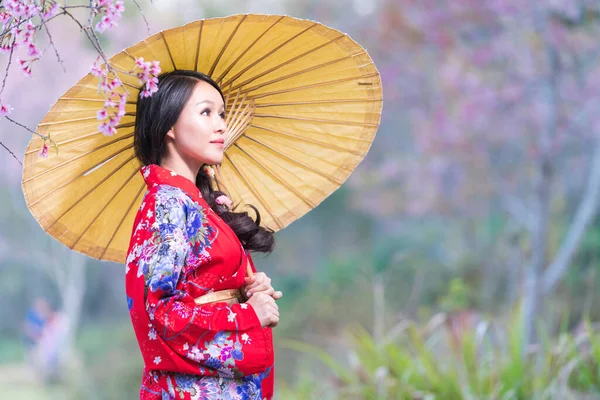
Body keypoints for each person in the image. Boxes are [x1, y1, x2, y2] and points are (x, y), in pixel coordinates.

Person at [126, 70, 282, 400]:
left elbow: (207, 283)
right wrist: (247, 314)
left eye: (222, 114)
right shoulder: (167, 205)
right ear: (169, 125)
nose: (221, 124)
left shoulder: (193, 203)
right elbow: (159, 311)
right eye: (206, 112)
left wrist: (249, 289)